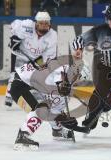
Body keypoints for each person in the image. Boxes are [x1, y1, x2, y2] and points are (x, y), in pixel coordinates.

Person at [8, 11, 77, 150]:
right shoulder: (27, 26)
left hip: (30, 80)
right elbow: (13, 25)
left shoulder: (52, 37)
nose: (44, 26)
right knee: (40, 110)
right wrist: (15, 38)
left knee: (50, 105)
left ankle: (57, 130)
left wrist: (62, 118)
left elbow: (47, 61)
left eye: (47, 23)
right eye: (41, 23)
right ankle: (23, 136)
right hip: (19, 87)